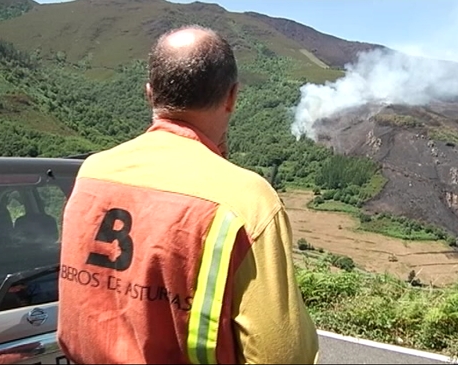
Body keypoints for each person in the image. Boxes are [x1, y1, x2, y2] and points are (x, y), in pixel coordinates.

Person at [57, 25, 319, 364]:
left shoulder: (92, 172)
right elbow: (283, 355)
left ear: (150, 93)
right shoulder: (246, 200)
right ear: (232, 97)